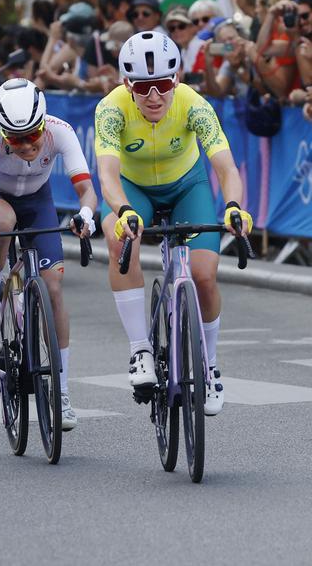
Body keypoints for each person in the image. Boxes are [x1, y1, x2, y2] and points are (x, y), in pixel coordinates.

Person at [94, 31, 251, 415]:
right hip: (135, 190)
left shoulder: (193, 103)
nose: (154, 96)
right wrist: (123, 210)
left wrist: (234, 206)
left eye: (163, 85)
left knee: (204, 276)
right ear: (126, 84)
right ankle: (140, 351)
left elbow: (226, 167)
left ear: (176, 80)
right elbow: (108, 175)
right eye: (142, 87)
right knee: (118, 238)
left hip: (186, 187)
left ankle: (210, 364)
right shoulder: (111, 109)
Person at [0, 78, 97, 430]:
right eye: (15, 139)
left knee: (53, 289)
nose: (26, 145)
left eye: (32, 136)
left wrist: (85, 215)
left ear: (43, 124)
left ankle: (62, 392)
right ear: (2, 133)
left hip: (38, 201)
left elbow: (86, 189)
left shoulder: (60, 131)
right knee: (4, 221)